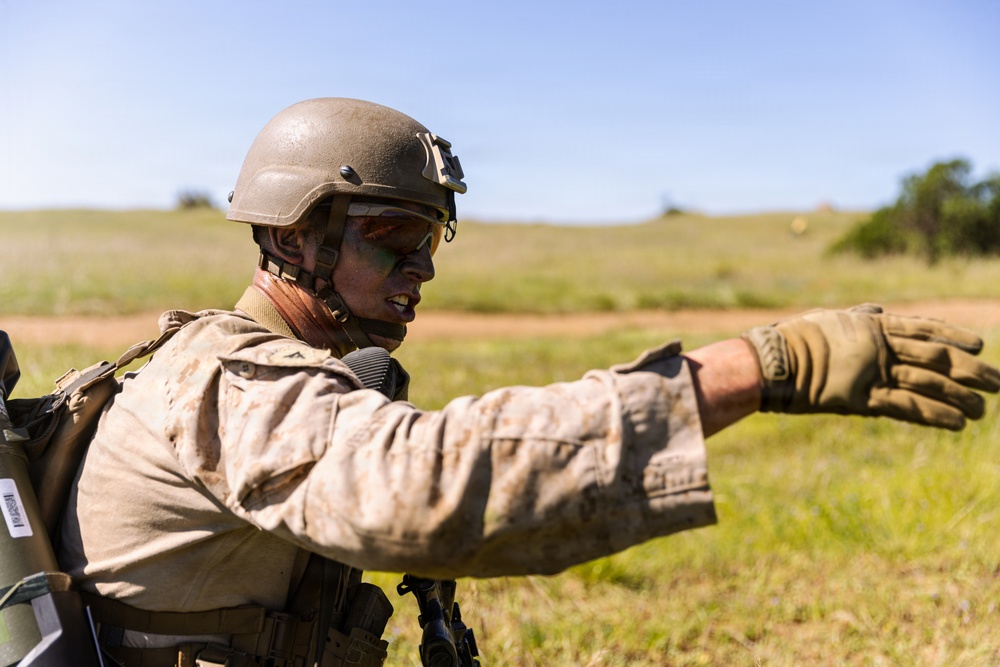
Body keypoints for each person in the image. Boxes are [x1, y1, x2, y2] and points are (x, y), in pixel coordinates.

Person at [57, 97, 1000, 667]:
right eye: (393, 238)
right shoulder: (229, 376)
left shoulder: (288, 369)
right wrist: (756, 368)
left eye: (432, 241)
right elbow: (430, 485)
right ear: (293, 237)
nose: (420, 268)